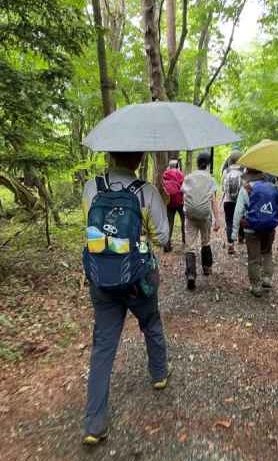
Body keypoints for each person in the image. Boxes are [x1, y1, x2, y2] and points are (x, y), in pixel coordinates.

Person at [81, 151, 170, 445]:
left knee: (103, 346)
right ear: (138, 159)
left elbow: (89, 228)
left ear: (110, 155)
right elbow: (164, 237)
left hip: (100, 278)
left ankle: (94, 424)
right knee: (151, 323)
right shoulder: (146, 192)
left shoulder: (91, 187)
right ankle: (158, 374)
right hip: (136, 278)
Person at [232, 168, 278, 297]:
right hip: (268, 228)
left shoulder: (246, 189)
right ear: (261, 174)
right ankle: (267, 278)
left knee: (254, 258)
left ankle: (256, 286)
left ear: (248, 176)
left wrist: (233, 234)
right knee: (267, 253)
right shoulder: (272, 188)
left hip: (251, 228)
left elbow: (238, 212)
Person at [182, 151, 220, 290]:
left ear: (197, 163)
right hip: (205, 216)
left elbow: (184, 196)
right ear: (208, 164)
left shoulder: (189, 177)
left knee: (190, 245)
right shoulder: (210, 179)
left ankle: (191, 274)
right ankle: (207, 267)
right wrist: (217, 219)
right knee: (206, 241)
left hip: (190, 215)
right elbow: (213, 200)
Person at [222, 150, 245, 254]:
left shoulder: (226, 171)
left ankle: (230, 244)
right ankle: (241, 237)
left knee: (229, 221)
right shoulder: (244, 172)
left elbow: (223, 188)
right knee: (241, 218)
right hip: (240, 200)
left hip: (228, 201)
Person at [162, 159, 185, 252]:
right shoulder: (180, 174)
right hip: (180, 202)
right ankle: (185, 240)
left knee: (169, 223)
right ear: (177, 166)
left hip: (169, 201)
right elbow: (184, 188)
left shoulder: (165, 174)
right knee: (184, 220)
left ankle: (167, 245)